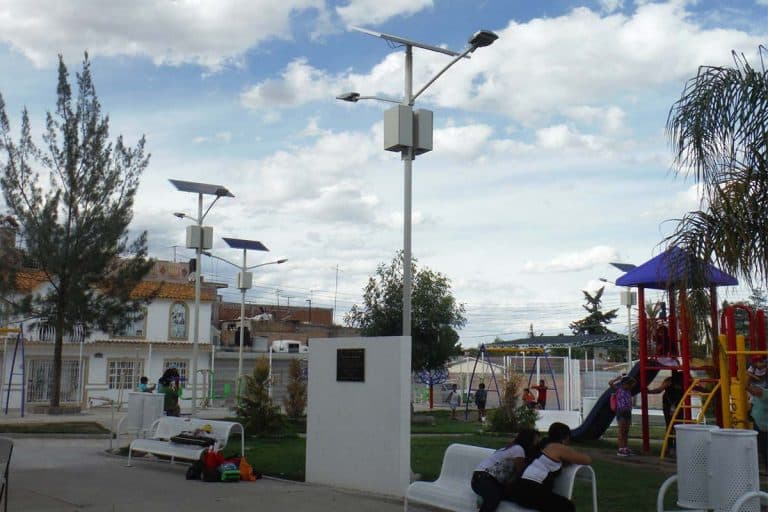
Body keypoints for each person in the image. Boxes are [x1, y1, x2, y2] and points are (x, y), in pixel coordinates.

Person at [509, 422, 591, 512]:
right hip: (531, 491)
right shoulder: (557, 447)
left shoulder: (542, 444)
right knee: (568, 507)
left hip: (517, 489)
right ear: (566, 438)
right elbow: (587, 460)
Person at [471, 428, 539, 512]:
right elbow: (520, 473)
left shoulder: (509, 447)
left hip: (481, 479)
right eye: (535, 440)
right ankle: (485, 495)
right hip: (484, 478)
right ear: (528, 440)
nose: (536, 443)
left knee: (509, 496)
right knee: (493, 499)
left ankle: (484, 496)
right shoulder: (519, 450)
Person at [610, 375, 635, 457]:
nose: (630, 386)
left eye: (631, 384)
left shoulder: (629, 391)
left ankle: (625, 447)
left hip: (627, 411)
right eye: (629, 384)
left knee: (626, 431)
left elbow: (635, 383)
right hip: (621, 411)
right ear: (624, 384)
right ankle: (620, 448)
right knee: (621, 430)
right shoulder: (618, 390)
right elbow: (610, 383)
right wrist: (617, 379)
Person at [747, 382, 768, 468]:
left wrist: (745, 384)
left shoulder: (764, 393)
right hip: (759, 425)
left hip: (764, 428)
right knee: (763, 450)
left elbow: (757, 391)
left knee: (765, 450)